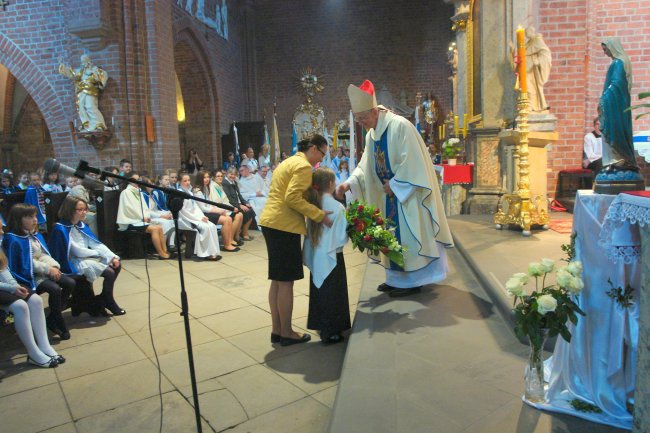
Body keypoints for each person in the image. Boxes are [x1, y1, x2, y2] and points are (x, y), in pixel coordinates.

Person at [337, 79, 453, 297]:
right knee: (390, 236)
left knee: (407, 236)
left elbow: (414, 164)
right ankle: (397, 279)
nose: (360, 123)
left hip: (405, 196)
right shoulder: (373, 133)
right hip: (388, 196)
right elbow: (365, 166)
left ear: (373, 111)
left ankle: (413, 281)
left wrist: (396, 184)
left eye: (362, 118)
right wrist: (349, 182)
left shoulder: (400, 126)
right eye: (358, 119)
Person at [259, 134, 333, 347]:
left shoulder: (289, 161)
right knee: (286, 282)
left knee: (277, 280)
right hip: (283, 226)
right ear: (312, 148)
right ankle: (287, 332)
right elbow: (292, 198)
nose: (320, 160)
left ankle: (277, 329)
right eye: (321, 153)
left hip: (271, 222)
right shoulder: (302, 166)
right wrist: (319, 215)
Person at [3, 204, 77, 340]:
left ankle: (53, 316)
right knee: (55, 289)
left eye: (35, 216)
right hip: (26, 275)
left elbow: (42, 254)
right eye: (30, 217)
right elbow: (24, 262)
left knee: (70, 282)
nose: (35, 220)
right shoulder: (12, 238)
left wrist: (53, 266)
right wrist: (48, 269)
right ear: (19, 219)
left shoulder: (34, 234)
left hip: (42, 270)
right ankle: (58, 319)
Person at [49, 196, 125, 316]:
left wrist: (111, 256)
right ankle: (108, 300)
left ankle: (104, 298)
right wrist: (98, 255)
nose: (84, 212)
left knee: (117, 264)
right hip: (71, 262)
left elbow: (95, 243)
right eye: (80, 209)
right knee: (109, 273)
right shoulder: (61, 228)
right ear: (69, 210)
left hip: (85, 257)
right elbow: (77, 251)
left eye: (85, 209)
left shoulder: (81, 225)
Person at [303, 168, 351, 345]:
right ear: (330, 184)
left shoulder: (314, 204)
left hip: (317, 255)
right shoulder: (336, 206)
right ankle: (332, 331)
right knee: (333, 294)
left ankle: (322, 324)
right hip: (332, 257)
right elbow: (340, 237)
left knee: (320, 291)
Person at [0, 246, 64, 368]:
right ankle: (33, 352)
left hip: (6, 286)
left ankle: (44, 345)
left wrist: (14, 285)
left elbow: (3, 269)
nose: (2, 232)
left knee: (36, 300)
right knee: (20, 306)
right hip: (3, 288)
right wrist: (12, 288)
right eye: (0, 229)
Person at [116, 172, 174, 259]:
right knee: (154, 229)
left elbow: (145, 208)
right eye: (135, 179)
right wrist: (142, 217)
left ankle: (165, 251)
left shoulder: (138, 191)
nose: (137, 181)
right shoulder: (126, 192)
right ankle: (161, 253)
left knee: (159, 227)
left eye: (138, 179)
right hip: (130, 221)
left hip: (139, 220)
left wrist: (147, 216)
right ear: (129, 181)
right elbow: (129, 209)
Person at [599, 37, 637, 170]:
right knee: (620, 129)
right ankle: (618, 160)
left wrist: (604, 98)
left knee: (615, 129)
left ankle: (617, 160)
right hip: (620, 103)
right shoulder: (622, 62)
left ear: (612, 47)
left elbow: (616, 84)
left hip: (615, 105)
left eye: (605, 49)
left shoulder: (618, 63)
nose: (605, 52)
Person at [177, 173, 222, 261]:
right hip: (185, 219)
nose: (187, 182)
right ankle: (205, 253)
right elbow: (183, 211)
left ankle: (213, 252)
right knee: (205, 227)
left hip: (195, 217)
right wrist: (198, 219)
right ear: (179, 182)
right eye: (185, 181)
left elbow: (195, 207)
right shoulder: (180, 193)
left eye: (188, 180)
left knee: (212, 226)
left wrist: (202, 216)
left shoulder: (189, 192)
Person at [192, 170, 240, 252]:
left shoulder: (205, 188)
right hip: (201, 215)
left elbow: (209, 204)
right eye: (204, 177)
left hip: (208, 212)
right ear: (200, 179)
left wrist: (219, 210)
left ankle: (228, 242)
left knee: (228, 218)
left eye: (207, 177)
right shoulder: (197, 190)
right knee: (226, 219)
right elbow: (203, 208)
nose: (207, 179)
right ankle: (227, 245)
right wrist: (217, 211)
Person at [58, 55, 108, 131]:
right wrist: (63, 66)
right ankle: (87, 125)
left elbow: (103, 75)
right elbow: (71, 73)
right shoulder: (81, 71)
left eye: (84, 61)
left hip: (91, 91)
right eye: (82, 62)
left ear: (89, 61)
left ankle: (99, 124)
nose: (83, 63)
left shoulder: (95, 70)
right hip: (81, 92)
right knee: (81, 107)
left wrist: (96, 76)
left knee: (90, 106)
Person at [212, 170, 244, 246]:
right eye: (218, 176)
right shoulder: (212, 186)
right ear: (213, 178)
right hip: (217, 209)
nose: (220, 178)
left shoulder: (219, 186)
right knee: (238, 215)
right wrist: (230, 209)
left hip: (225, 207)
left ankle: (234, 236)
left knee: (240, 214)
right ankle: (229, 239)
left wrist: (232, 208)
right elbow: (216, 202)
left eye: (221, 176)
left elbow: (226, 200)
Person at [222, 167, 256, 241]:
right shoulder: (225, 183)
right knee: (243, 212)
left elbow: (239, 195)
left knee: (251, 210)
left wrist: (245, 203)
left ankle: (244, 233)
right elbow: (229, 199)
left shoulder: (234, 182)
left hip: (237, 203)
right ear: (227, 174)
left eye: (234, 174)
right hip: (230, 205)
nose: (232, 176)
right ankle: (235, 235)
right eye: (231, 174)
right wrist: (239, 205)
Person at [525, 26, 552, 112]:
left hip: (534, 69)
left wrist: (538, 61)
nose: (525, 34)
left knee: (533, 87)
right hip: (527, 68)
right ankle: (531, 105)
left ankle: (536, 106)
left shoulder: (537, 40)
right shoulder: (529, 42)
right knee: (528, 87)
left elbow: (545, 53)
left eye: (526, 32)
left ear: (531, 31)